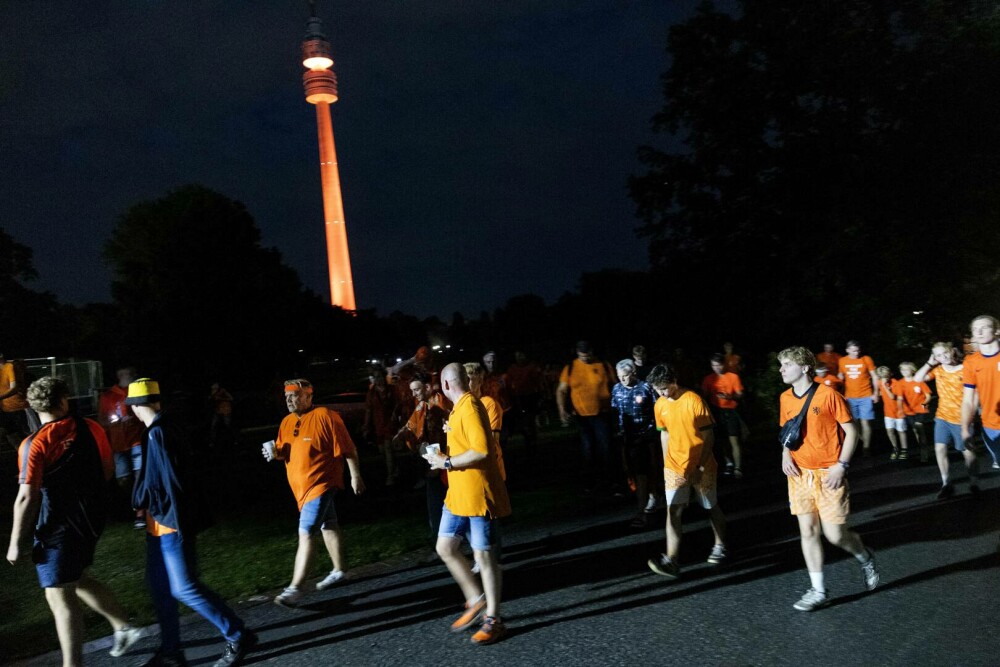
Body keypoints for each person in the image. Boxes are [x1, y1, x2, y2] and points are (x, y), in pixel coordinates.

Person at [6, 377, 142, 666]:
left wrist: (15, 544)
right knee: (78, 578)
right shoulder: (91, 427)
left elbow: (26, 497)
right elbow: (107, 471)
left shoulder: (33, 444)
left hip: (57, 526)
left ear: (31, 405)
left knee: (58, 596)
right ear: (64, 399)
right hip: (91, 519)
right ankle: (124, 627)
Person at [129, 378, 254, 667]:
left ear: (136, 407)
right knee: (161, 588)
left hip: (170, 524)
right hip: (157, 524)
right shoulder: (159, 429)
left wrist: (161, 511)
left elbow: (173, 483)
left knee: (183, 587)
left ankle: (238, 634)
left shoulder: (158, 433)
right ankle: (172, 652)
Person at [778, 347, 880, 612]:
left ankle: (864, 556)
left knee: (835, 535)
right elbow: (788, 432)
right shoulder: (785, 398)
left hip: (828, 474)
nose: (781, 369)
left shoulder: (829, 395)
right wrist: (785, 455)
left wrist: (841, 466)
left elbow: (851, 431)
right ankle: (819, 590)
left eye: (786, 364)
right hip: (799, 474)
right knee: (807, 531)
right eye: (781, 365)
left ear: (804, 368)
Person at [423, 363, 511, 645]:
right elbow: (467, 441)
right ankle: (476, 599)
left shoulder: (471, 406)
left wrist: (446, 462)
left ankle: (494, 620)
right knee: (445, 547)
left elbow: (483, 450)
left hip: (477, 495)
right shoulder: (459, 408)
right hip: (457, 495)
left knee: (484, 557)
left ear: (447, 385)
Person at [263, 379, 365, 608]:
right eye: (287, 396)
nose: (290, 400)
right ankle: (340, 571)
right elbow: (283, 451)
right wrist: (274, 454)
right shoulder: (286, 422)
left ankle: (295, 588)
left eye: (296, 395)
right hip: (301, 489)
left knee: (306, 531)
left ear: (309, 396)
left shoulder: (326, 416)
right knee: (328, 524)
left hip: (321, 483)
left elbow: (348, 449)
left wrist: (355, 476)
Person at [645, 364, 727, 578]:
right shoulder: (660, 405)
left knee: (710, 506)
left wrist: (699, 466)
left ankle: (720, 544)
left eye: (664, 387)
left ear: (674, 381)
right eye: (657, 389)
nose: (661, 393)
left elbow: (708, 437)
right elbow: (664, 434)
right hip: (674, 466)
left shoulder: (693, 400)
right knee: (673, 511)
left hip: (701, 464)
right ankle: (671, 560)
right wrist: (666, 465)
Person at [916, 342, 979, 499]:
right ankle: (946, 483)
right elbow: (917, 379)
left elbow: (974, 394)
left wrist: (972, 416)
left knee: (968, 453)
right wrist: (930, 362)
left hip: (961, 418)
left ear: (951, 351)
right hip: (942, 416)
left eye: (945, 353)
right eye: (938, 355)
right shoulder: (938, 370)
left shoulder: (965, 369)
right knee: (939, 449)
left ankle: (974, 482)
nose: (942, 357)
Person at [557, 341, 616, 490]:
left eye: (587, 354)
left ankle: (610, 480)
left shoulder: (603, 365)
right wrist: (562, 410)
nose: (584, 357)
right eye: (581, 355)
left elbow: (615, 385)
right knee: (588, 449)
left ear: (591, 351)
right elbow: (562, 390)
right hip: (582, 416)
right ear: (577, 352)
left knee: (606, 447)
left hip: (603, 413)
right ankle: (590, 481)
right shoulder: (570, 368)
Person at [610, 359, 659, 528]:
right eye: (619, 377)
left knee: (646, 470)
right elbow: (615, 412)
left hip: (646, 436)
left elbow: (657, 409)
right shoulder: (616, 389)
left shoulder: (646, 387)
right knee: (634, 472)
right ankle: (649, 498)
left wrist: (654, 431)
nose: (622, 380)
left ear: (633, 373)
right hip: (628, 438)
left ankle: (644, 508)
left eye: (625, 376)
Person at [99, 366, 146, 528]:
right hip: (118, 444)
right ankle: (135, 505)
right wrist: (115, 422)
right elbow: (102, 421)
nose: (132, 376)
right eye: (128, 374)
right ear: (120, 375)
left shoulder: (138, 392)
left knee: (140, 475)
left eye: (133, 374)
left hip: (137, 441)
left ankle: (141, 512)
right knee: (124, 479)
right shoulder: (107, 397)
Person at [962, 315, 1000, 470]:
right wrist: (965, 429)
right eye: (975, 329)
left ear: (997, 331)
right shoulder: (971, 362)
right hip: (991, 425)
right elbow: (968, 400)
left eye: (984, 327)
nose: (979, 332)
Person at [701, 353, 744, 478]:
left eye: (719, 365)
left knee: (734, 439)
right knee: (722, 440)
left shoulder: (733, 377)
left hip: (731, 411)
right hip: (716, 411)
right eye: (714, 365)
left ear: (723, 364)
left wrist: (730, 397)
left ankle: (738, 467)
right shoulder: (708, 379)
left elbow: (740, 394)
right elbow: (704, 395)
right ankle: (728, 463)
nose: (717, 368)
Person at [837, 340, 880, 455]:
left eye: (858, 350)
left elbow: (875, 377)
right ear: (847, 350)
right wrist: (839, 377)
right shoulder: (842, 361)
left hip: (866, 395)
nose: (856, 353)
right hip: (850, 397)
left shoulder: (866, 359)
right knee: (854, 423)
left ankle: (866, 448)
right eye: (854, 350)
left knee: (866, 422)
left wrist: (876, 393)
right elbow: (841, 376)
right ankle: (857, 443)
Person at [364, 367, 398, 486]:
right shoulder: (371, 393)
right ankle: (393, 468)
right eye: (376, 377)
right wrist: (367, 426)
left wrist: (396, 416)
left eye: (380, 376)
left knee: (388, 449)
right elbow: (368, 411)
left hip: (390, 424)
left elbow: (398, 405)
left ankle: (390, 476)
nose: (379, 379)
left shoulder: (391, 390)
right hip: (377, 425)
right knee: (382, 450)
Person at [505, 351, 543, 452]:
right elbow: (508, 383)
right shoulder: (512, 369)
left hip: (530, 396)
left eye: (521, 355)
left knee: (531, 420)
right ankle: (527, 438)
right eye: (517, 356)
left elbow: (538, 382)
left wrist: (540, 396)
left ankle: (532, 440)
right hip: (518, 397)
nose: (520, 358)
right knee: (522, 420)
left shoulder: (531, 367)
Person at [898, 362, 933, 463]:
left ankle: (924, 452)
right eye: (902, 370)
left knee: (919, 428)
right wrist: (900, 409)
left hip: (920, 409)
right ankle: (923, 448)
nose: (904, 372)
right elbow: (900, 398)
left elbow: (928, 396)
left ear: (912, 370)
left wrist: (923, 405)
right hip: (909, 411)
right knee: (916, 431)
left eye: (906, 369)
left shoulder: (919, 381)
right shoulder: (900, 383)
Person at [875, 366, 908, 460]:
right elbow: (879, 393)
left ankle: (904, 449)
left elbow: (892, 397)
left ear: (890, 374)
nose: (884, 378)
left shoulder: (896, 383)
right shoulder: (879, 383)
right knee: (890, 430)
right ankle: (895, 448)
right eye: (882, 377)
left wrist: (886, 387)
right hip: (888, 412)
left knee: (901, 431)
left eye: (886, 376)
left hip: (899, 412)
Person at [0, 351, 31, 450]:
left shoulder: (9, 367)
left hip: (19, 407)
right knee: (11, 434)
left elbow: (14, 388)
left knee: (25, 434)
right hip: (6, 408)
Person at [208, 383, 234, 448]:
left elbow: (231, 398)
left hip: (226, 411)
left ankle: (231, 441)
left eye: (215, 387)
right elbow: (212, 399)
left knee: (227, 426)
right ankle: (212, 442)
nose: (213, 388)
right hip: (218, 411)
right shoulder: (213, 392)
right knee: (213, 426)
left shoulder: (223, 391)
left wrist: (220, 398)